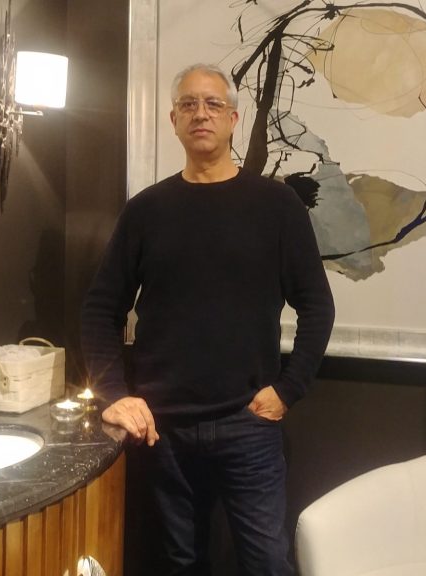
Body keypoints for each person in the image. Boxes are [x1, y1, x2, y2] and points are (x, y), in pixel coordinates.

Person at [80, 63, 335, 576]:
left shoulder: (276, 206)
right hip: (163, 428)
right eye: (189, 104)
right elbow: (100, 309)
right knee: (181, 563)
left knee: (267, 563)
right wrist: (113, 393)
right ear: (173, 120)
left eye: (213, 104)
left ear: (233, 119)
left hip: (249, 424)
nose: (201, 113)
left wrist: (289, 389)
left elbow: (317, 305)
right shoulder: (146, 210)